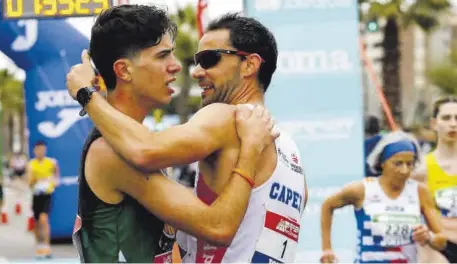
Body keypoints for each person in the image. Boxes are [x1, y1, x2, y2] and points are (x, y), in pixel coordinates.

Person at [67, 10, 307, 263]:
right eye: (163, 55)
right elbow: (217, 229)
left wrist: (87, 94)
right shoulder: (288, 149)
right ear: (124, 71)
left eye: (209, 59)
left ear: (249, 64)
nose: (188, 69)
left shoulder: (228, 120)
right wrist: (86, 94)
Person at [320, 131, 447, 263]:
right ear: (383, 163)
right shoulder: (363, 190)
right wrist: (327, 248)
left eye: (409, 164)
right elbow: (328, 205)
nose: (404, 170)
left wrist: (429, 237)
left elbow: (441, 241)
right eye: (398, 163)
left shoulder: (420, 192)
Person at [412, 96, 457, 263]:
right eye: (446, 118)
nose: (453, 123)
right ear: (434, 124)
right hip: (438, 246)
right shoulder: (420, 169)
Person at [27, 141, 59, 259]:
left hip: (47, 194)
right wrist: (35, 180)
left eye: (43, 149)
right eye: (38, 150)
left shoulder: (52, 162)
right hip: (36, 195)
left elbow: (57, 177)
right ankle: (38, 246)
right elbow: (29, 182)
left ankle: (47, 246)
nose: (40, 152)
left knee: (43, 219)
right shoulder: (31, 164)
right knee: (36, 222)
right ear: (35, 151)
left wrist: (54, 182)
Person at [10, 151, 28, 215]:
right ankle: (17, 203)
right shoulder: (14, 159)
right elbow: (12, 166)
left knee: (21, 190)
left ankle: (20, 203)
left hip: (22, 174)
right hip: (16, 174)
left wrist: (24, 176)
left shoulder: (23, 159)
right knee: (17, 190)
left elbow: (26, 167)